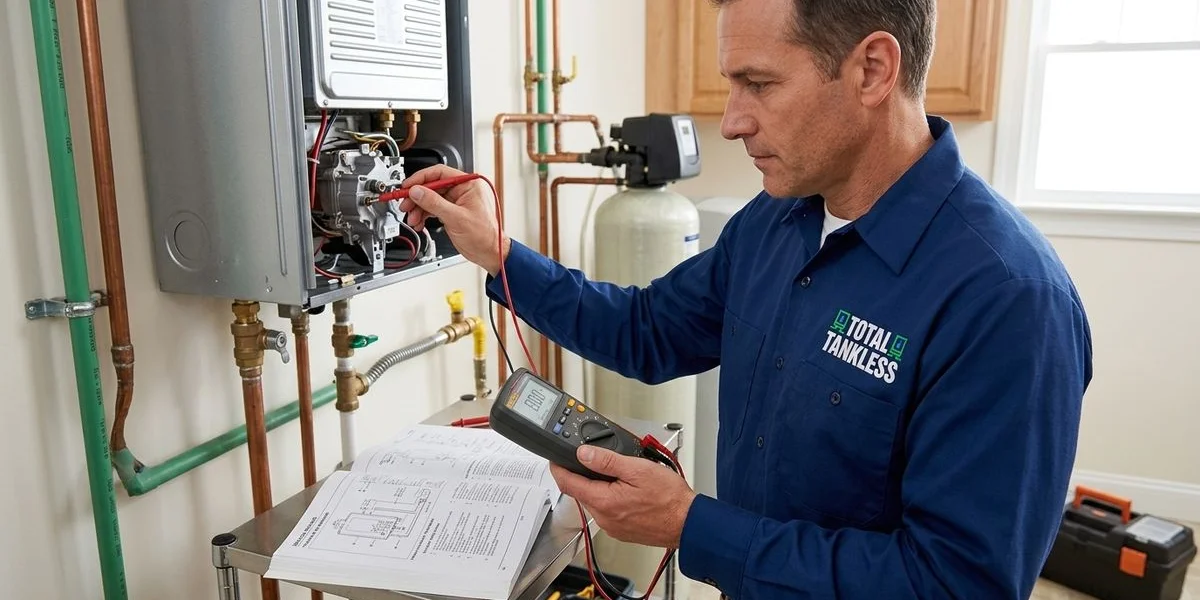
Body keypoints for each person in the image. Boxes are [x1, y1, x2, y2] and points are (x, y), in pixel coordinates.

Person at [397, 0, 1093, 596]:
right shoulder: (774, 221)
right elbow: (648, 331)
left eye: (759, 84)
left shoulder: (1008, 300)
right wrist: (500, 255)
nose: (731, 122)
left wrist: (692, 527)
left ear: (873, 70)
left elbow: (954, 584)